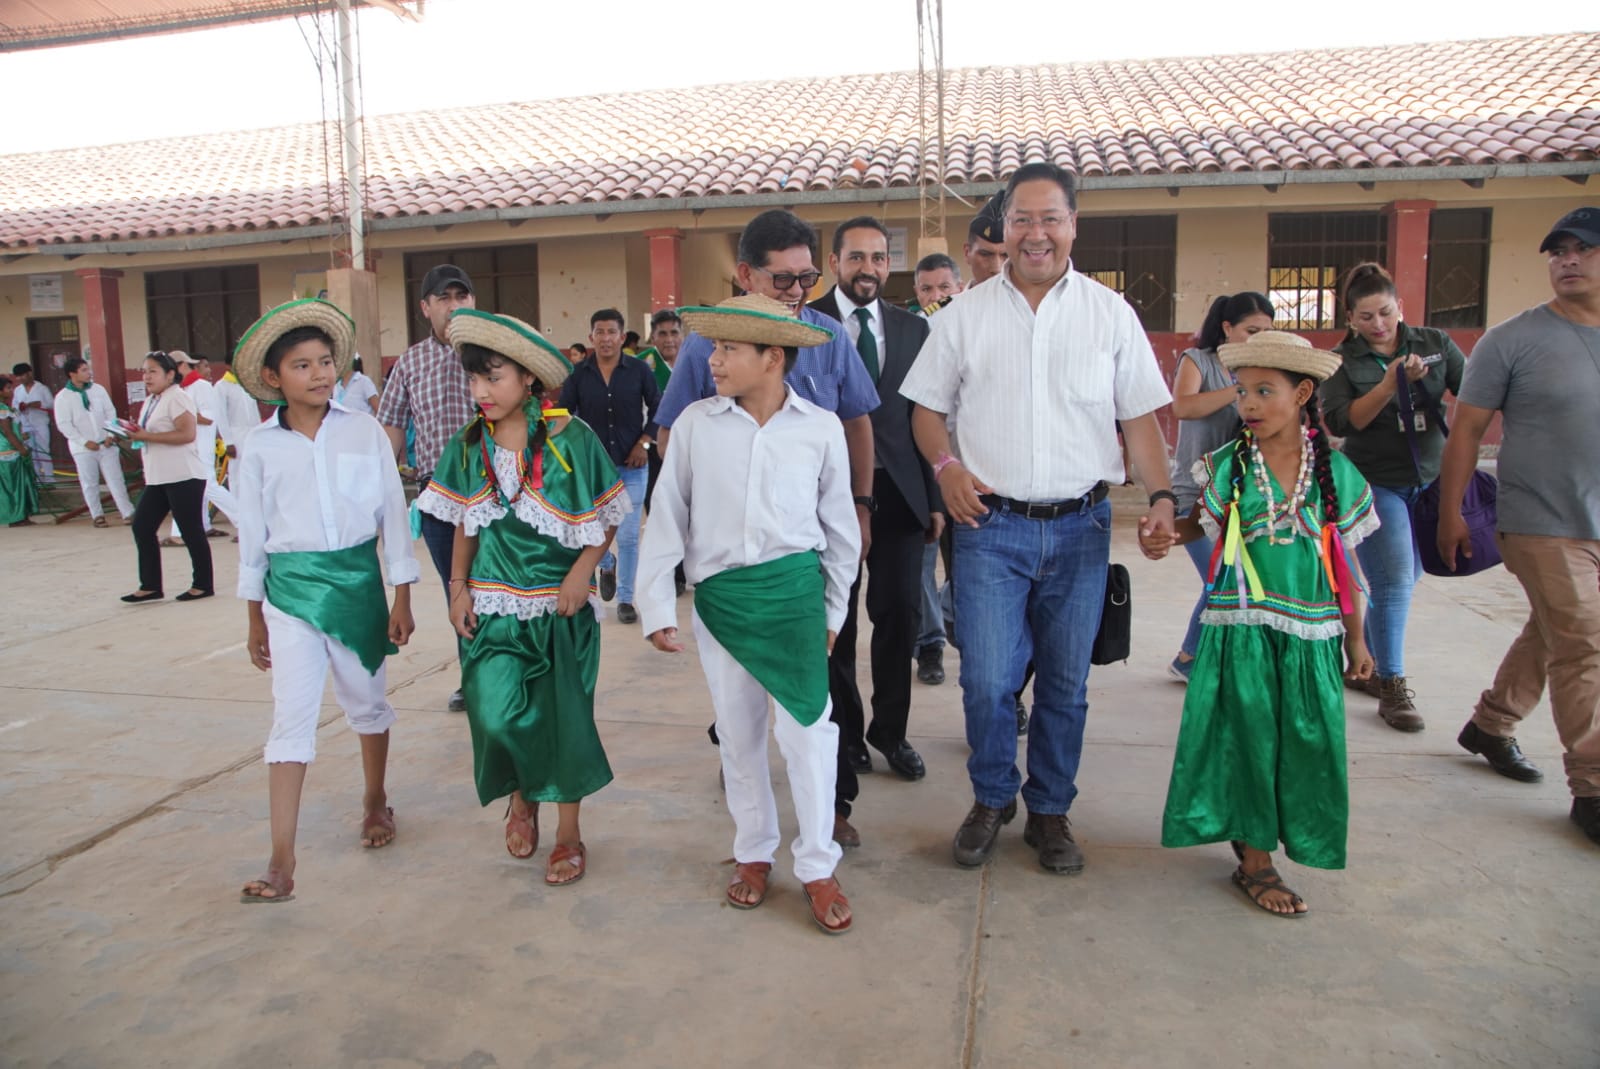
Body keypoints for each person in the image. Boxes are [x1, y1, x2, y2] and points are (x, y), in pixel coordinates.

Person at [901, 162, 1177, 874]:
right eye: (1021, 219)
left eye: (1050, 218)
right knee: (988, 680)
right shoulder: (964, 317)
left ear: (1073, 225)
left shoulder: (1109, 315)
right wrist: (948, 468)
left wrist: (1161, 499)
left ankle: (1050, 810)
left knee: (1064, 683)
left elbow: (1140, 419)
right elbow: (926, 412)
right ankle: (994, 795)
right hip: (991, 528)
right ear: (1004, 229)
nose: (1035, 233)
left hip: (1082, 530)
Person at [654, 208, 879, 848]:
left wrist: (860, 507)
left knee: (826, 684)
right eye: (783, 281)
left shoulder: (828, 336)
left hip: (810, 553)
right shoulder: (708, 344)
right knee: (740, 711)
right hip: (730, 566)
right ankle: (753, 831)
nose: (797, 294)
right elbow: (675, 436)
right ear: (746, 274)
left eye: (807, 280)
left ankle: (832, 807)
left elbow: (857, 421)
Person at [636, 294, 860, 934]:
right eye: (715, 347)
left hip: (794, 599)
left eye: (729, 349)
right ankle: (754, 852)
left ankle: (817, 865)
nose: (712, 360)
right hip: (722, 601)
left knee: (810, 736)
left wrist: (834, 611)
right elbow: (668, 513)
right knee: (738, 734)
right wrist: (656, 603)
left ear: (773, 358)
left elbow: (840, 531)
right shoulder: (697, 427)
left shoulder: (819, 427)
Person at [1155, 330, 1377, 917]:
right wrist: (1161, 533)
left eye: (1263, 390)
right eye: (1241, 391)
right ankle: (1255, 858)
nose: (1248, 403)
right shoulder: (1226, 467)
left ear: (1303, 392)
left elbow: (1345, 566)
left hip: (1311, 636)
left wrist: (1357, 641)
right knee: (1249, 740)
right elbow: (1194, 528)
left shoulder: (1336, 473)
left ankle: (1290, 835)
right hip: (1241, 632)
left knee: (1306, 743)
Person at [418, 309, 627, 884]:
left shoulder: (572, 439)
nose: (481, 392)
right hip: (492, 606)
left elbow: (606, 515)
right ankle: (521, 795)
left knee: (564, 722)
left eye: (495, 378)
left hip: (560, 608)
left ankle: (568, 836)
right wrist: (457, 588)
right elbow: (466, 523)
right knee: (492, 712)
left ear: (529, 379)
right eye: (475, 380)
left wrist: (584, 571)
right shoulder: (468, 445)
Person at [230, 300, 419, 903]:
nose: (317, 373)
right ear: (272, 379)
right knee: (291, 720)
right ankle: (282, 860)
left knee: (367, 704)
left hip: (359, 586)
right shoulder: (256, 448)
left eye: (325, 361)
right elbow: (253, 538)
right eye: (301, 364)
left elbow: (393, 513)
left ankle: (374, 800)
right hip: (289, 596)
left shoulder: (363, 430)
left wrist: (403, 594)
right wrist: (254, 612)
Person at [1437, 206, 1600, 846]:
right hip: (1540, 519)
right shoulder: (1513, 339)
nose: (1567, 260)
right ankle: (1592, 784)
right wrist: (1451, 512)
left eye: (1583, 249)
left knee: (1557, 631)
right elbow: (1467, 431)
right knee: (1584, 640)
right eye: (1558, 250)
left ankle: (1492, 723)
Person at [812, 216, 940, 783]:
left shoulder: (914, 329)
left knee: (899, 616)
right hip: (824, 491)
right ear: (835, 261)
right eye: (857, 257)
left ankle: (890, 730)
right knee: (834, 618)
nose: (869, 268)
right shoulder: (806, 323)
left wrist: (934, 494)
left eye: (879, 258)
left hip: (902, 492)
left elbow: (929, 415)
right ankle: (844, 733)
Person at [1321, 263, 1466, 732]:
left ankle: (1372, 666)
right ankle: (1393, 686)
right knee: (1396, 578)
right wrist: (1388, 386)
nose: (1378, 325)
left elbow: (1475, 390)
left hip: (1429, 478)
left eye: (1384, 312)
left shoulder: (1435, 343)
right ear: (1350, 318)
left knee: (1401, 579)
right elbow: (1343, 423)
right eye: (1366, 317)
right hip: (1373, 483)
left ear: (1400, 307)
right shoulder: (1343, 361)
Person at [376, 264, 478, 713]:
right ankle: (474, 677)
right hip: (439, 497)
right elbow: (392, 428)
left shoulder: (492, 351)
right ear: (426, 308)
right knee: (457, 587)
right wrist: (378, 489)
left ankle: (507, 672)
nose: (454, 306)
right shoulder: (410, 363)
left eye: (462, 296)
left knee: (501, 583)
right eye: (444, 298)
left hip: (497, 492)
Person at [1166, 292, 1272, 682]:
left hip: (1240, 495)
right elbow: (1183, 407)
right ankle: (1190, 657)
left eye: (1266, 332)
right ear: (1227, 329)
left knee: (1235, 580)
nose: (1259, 338)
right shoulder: (1199, 361)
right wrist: (1242, 388)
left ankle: (1197, 656)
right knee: (1223, 579)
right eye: (1251, 330)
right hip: (1194, 495)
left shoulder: (1263, 370)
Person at [558, 308, 660, 625]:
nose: (605, 338)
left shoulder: (639, 370)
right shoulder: (578, 375)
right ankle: (606, 561)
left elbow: (659, 406)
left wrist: (645, 442)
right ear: (591, 337)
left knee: (629, 535)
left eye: (611, 332)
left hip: (632, 466)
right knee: (593, 534)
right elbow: (563, 415)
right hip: (592, 473)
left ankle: (627, 600)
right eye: (599, 332)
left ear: (621, 335)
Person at [910, 253, 966, 686]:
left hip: (974, 474)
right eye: (927, 289)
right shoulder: (913, 335)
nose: (936, 297)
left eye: (944, 288)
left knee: (967, 568)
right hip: (927, 471)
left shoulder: (976, 326)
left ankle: (962, 632)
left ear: (959, 288)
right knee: (924, 563)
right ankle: (930, 644)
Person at [121, 351, 214, 603]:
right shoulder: (152, 400)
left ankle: (203, 584)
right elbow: (148, 431)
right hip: (158, 476)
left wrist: (146, 437)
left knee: (190, 530)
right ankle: (150, 585)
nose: (146, 377)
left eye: (152, 371)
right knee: (142, 526)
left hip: (183, 474)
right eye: (144, 371)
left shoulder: (178, 398)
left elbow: (186, 434)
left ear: (170, 374)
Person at [164, 351, 240, 541]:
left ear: (181, 366)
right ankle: (201, 525)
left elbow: (210, 417)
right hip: (191, 443)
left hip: (201, 442)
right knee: (195, 485)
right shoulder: (183, 387)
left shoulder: (201, 386)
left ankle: (244, 521)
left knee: (207, 485)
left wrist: (183, 416)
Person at [54, 356, 135, 527]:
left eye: (88, 369)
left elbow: (110, 412)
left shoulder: (98, 390)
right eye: (83, 370)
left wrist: (110, 435)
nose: (88, 373)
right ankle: (97, 515)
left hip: (106, 443)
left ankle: (127, 512)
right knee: (89, 482)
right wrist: (84, 441)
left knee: (115, 478)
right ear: (72, 374)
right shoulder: (63, 397)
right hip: (83, 448)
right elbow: (64, 425)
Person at [214, 350, 265, 493]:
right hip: (236, 435)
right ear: (228, 366)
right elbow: (221, 416)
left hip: (253, 432)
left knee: (255, 469)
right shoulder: (222, 386)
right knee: (237, 473)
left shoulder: (247, 384)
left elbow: (255, 410)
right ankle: (238, 509)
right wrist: (228, 441)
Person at [9, 362, 55, 485]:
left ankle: (50, 480)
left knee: (44, 451)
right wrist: (20, 429)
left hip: (40, 424)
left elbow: (52, 404)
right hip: (25, 425)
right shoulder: (18, 390)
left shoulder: (42, 388)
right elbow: (14, 410)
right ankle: (36, 480)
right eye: (17, 376)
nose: (19, 379)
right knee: (31, 453)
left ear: (29, 374)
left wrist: (39, 404)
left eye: (22, 375)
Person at [0, 397, 39, 526]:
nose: (11, 391)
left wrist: (21, 437)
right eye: (8, 388)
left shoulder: (7, 408)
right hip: (9, 451)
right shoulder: (3, 410)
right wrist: (21, 448)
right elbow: (7, 432)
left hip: (10, 449)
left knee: (13, 486)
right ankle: (17, 517)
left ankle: (20, 515)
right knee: (15, 486)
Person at [962, 192, 1008, 287]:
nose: (996, 268)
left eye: (1006, 255)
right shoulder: (952, 302)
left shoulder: (1041, 301)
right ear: (967, 253)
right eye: (985, 255)